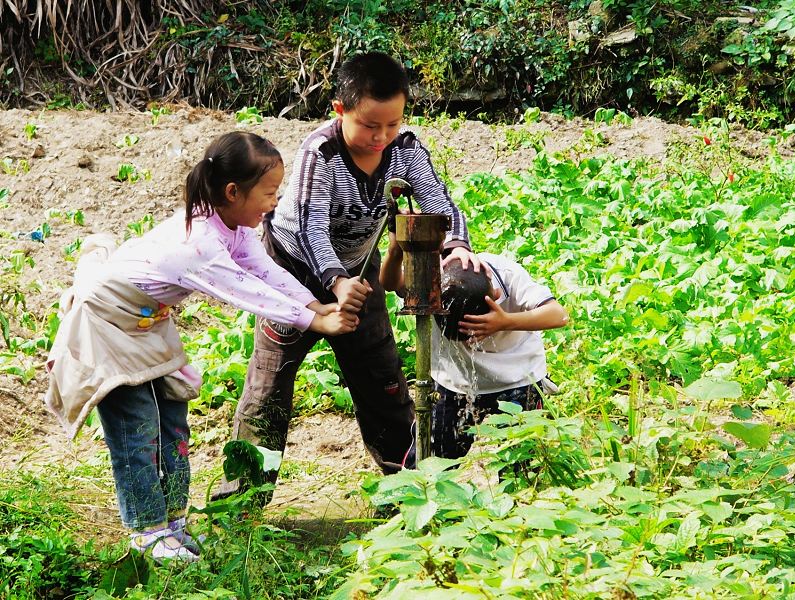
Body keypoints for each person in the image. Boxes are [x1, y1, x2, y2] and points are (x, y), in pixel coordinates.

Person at [44, 131, 356, 562]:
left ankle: (174, 523)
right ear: (233, 191)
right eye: (269, 193)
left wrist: (313, 302)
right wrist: (317, 319)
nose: (274, 202)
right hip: (106, 323)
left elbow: (263, 270)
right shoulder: (198, 244)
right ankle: (146, 532)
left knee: (173, 420)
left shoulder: (234, 225)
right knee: (137, 427)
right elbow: (246, 293)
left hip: (147, 323)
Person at [218, 51, 481, 500]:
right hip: (290, 273)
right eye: (369, 125)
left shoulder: (407, 149)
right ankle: (241, 503)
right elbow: (307, 225)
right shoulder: (320, 153)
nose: (382, 137)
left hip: (360, 270)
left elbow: (438, 202)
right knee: (269, 387)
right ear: (340, 111)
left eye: (392, 124)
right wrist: (336, 283)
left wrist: (456, 244)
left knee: (384, 380)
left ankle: (408, 492)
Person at [380, 235, 569, 459]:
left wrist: (506, 321)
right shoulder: (433, 280)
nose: (470, 342)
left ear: (496, 296)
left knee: (522, 463)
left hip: (518, 378)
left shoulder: (507, 275)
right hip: (455, 381)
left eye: (475, 333)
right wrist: (394, 251)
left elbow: (559, 315)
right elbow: (392, 283)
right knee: (431, 460)